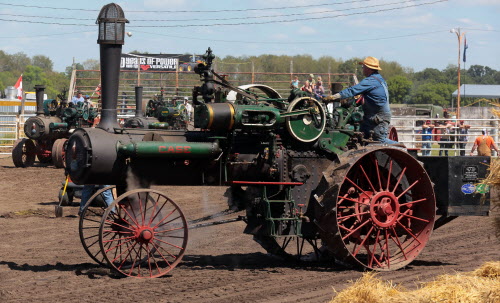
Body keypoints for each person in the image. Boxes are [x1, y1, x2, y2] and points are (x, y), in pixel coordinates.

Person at [324, 56, 397, 144]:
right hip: (372, 117)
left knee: (380, 141)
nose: (362, 69)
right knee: (359, 136)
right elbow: (370, 96)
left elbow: (352, 90)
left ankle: (402, 150)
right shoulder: (379, 79)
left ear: (368, 68)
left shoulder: (370, 81)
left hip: (378, 118)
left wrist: (334, 97)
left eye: (363, 67)